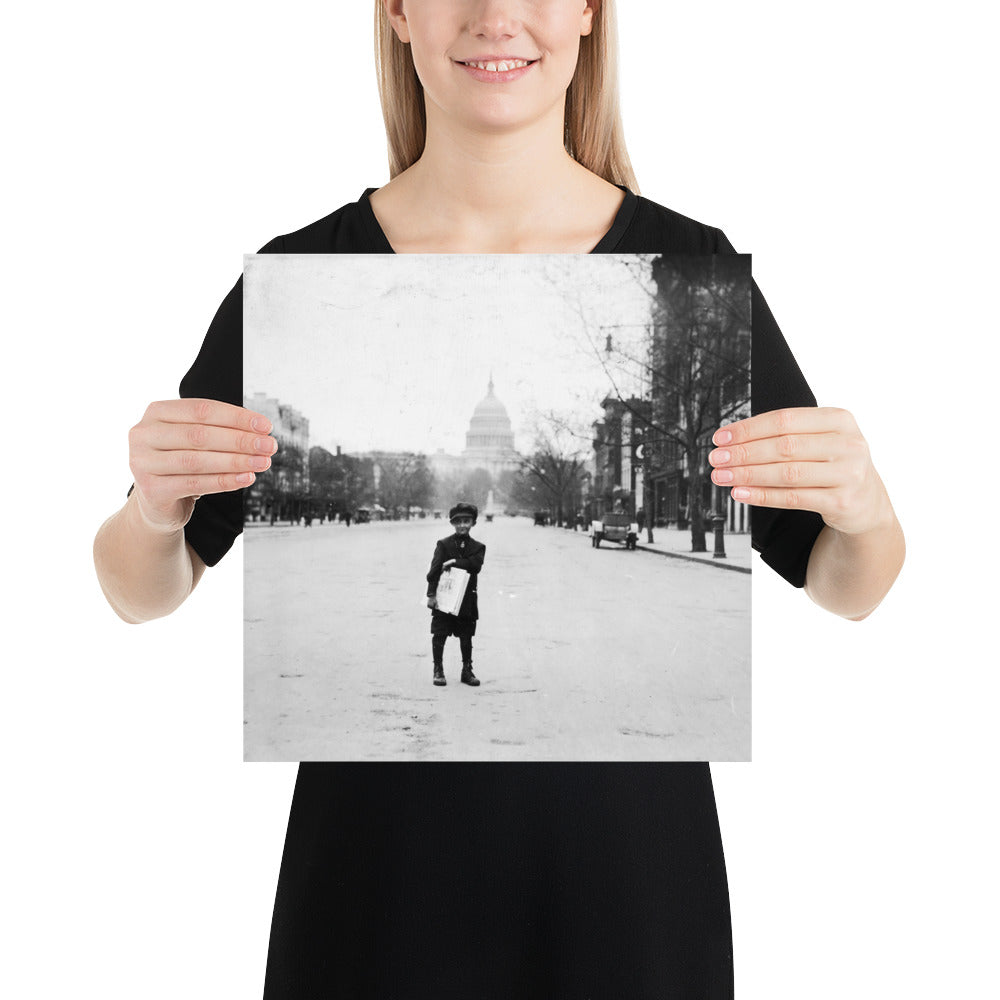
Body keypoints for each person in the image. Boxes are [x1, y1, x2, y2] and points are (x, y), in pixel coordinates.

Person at [92, 1, 904, 996]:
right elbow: (140, 589)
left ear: (589, 13)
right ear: (395, 11)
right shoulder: (299, 275)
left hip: (631, 903)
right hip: (374, 900)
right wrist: (153, 508)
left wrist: (863, 505)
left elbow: (845, 582)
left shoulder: (691, 268)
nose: (494, 14)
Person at [425, 501, 486, 686]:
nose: (462, 525)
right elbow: (434, 571)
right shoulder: (443, 545)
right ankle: (438, 669)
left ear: (473, 523)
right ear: (452, 523)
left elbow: (475, 566)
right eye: (458, 521)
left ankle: (467, 670)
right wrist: (431, 595)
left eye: (466, 521)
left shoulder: (478, 547)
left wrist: (453, 563)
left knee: (466, 635)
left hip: (466, 599)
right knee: (440, 633)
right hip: (444, 596)